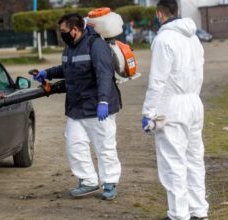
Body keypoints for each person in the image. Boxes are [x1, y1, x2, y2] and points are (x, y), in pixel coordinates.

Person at [33, 13, 122, 200]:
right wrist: (46, 72)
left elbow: (104, 74)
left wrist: (104, 101)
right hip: (77, 107)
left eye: (64, 31)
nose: (61, 34)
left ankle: (110, 183)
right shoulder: (70, 48)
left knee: (104, 146)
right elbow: (66, 69)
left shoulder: (96, 45)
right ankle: (88, 181)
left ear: (75, 30)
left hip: (98, 107)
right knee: (74, 145)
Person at [141, 0, 209, 219]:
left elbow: (157, 80)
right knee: (194, 159)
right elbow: (199, 70)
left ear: (160, 14)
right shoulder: (194, 38)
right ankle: (198, 210)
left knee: (173, 162)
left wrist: (148, 111)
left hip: (172, 105)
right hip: (194, 102)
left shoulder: (164, 39)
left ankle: (179, 214)